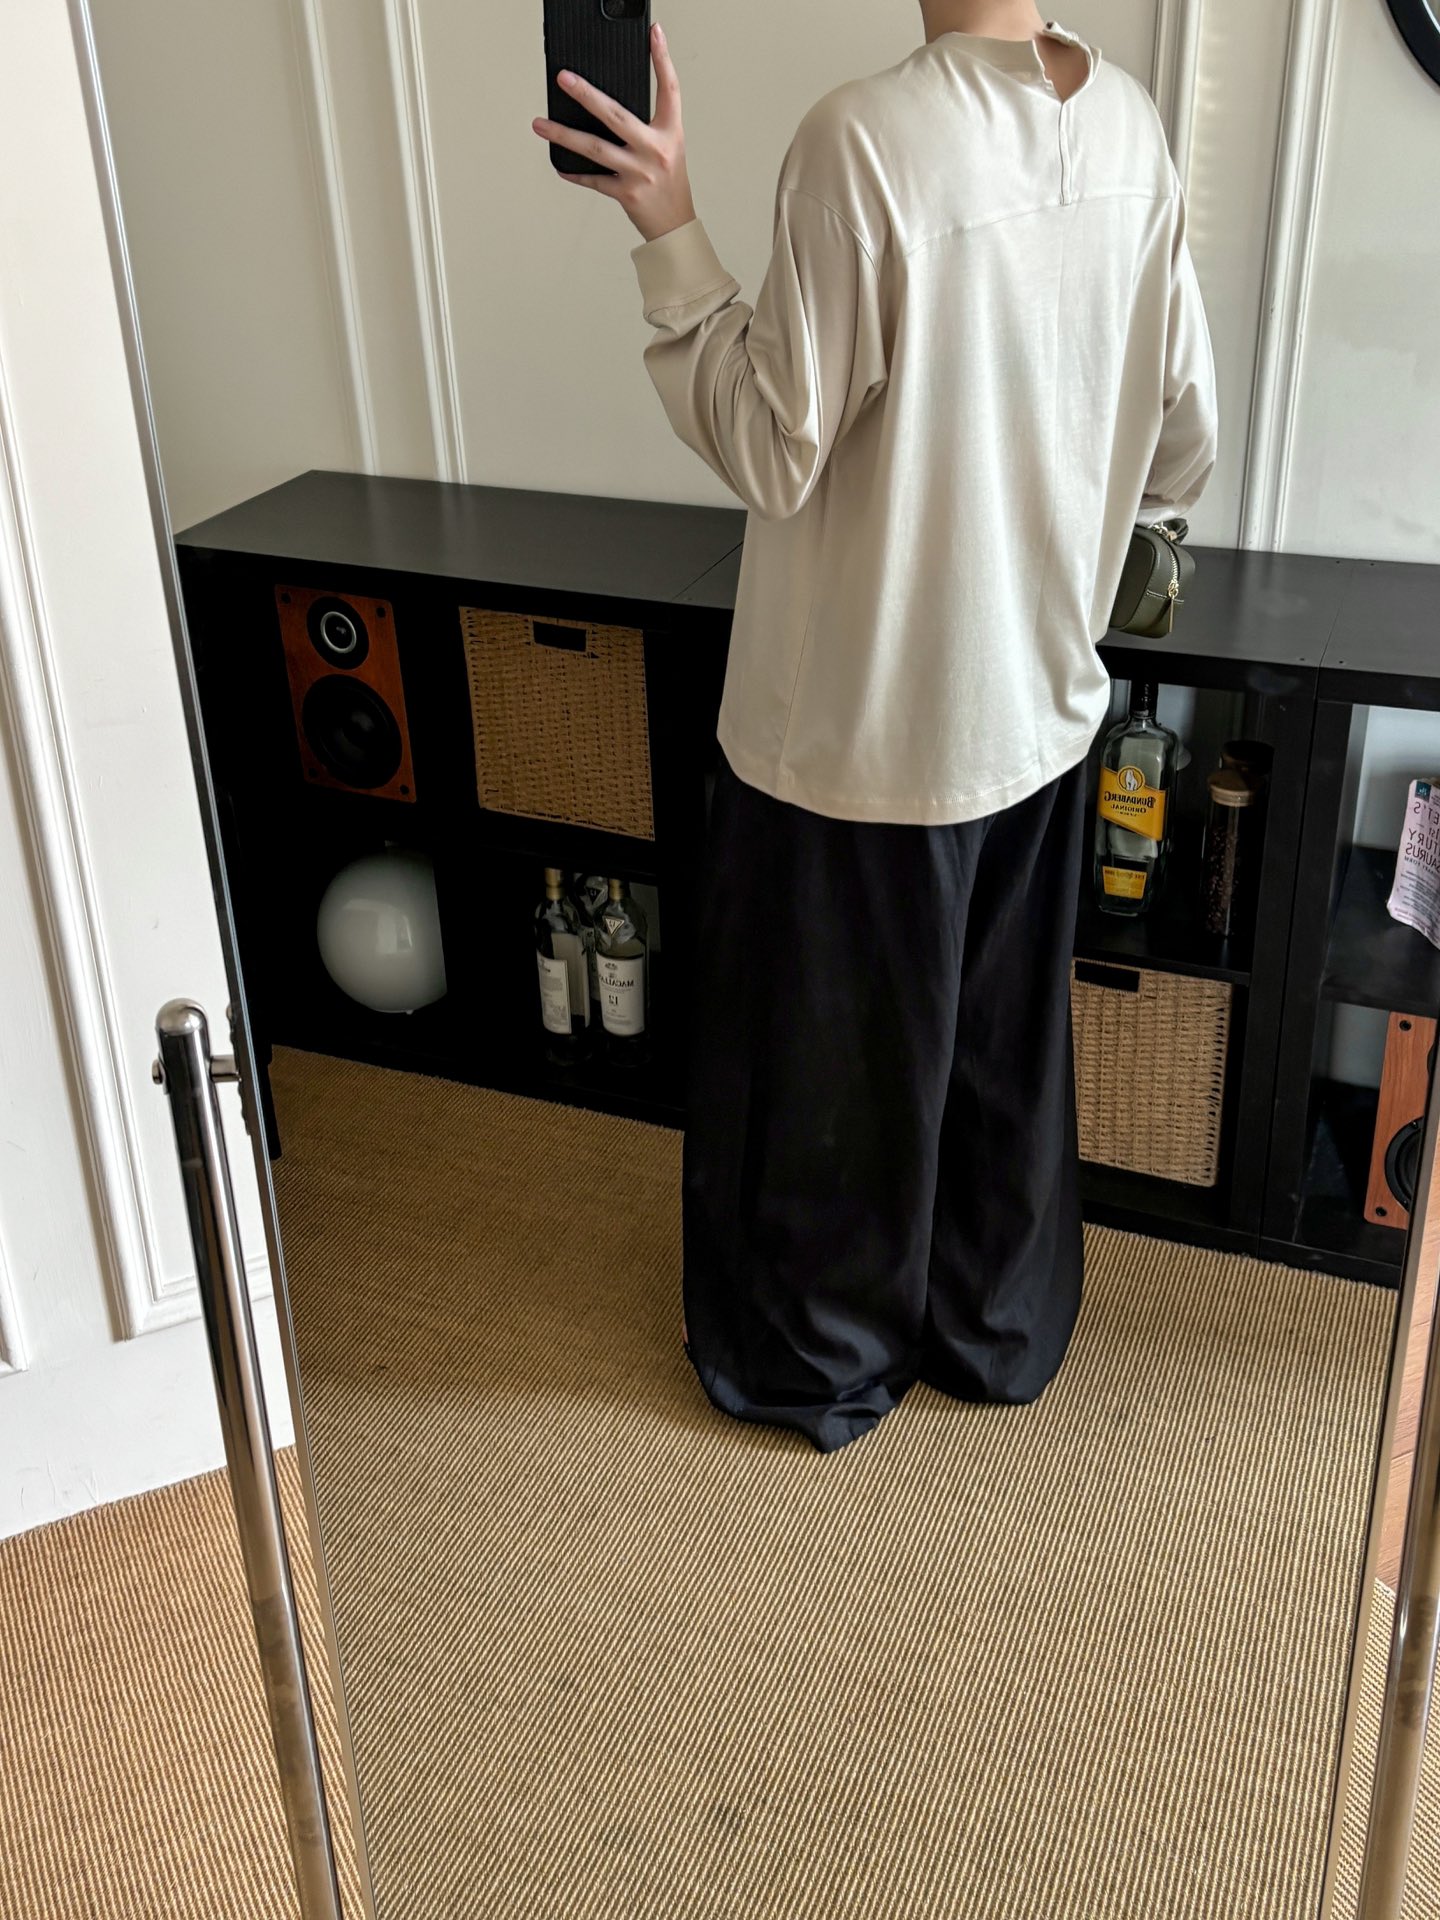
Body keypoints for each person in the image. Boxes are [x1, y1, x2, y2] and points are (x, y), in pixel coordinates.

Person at [532, 4, 1219, 1454]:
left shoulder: (865, 140)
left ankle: (815, 1359)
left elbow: (773, 444)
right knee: (997, 1045)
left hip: (861, 722)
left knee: (831, 1068)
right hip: (1039, 699)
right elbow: (1182, 435)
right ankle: (996, 1323)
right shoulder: (1133, 128)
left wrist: (668, 226)